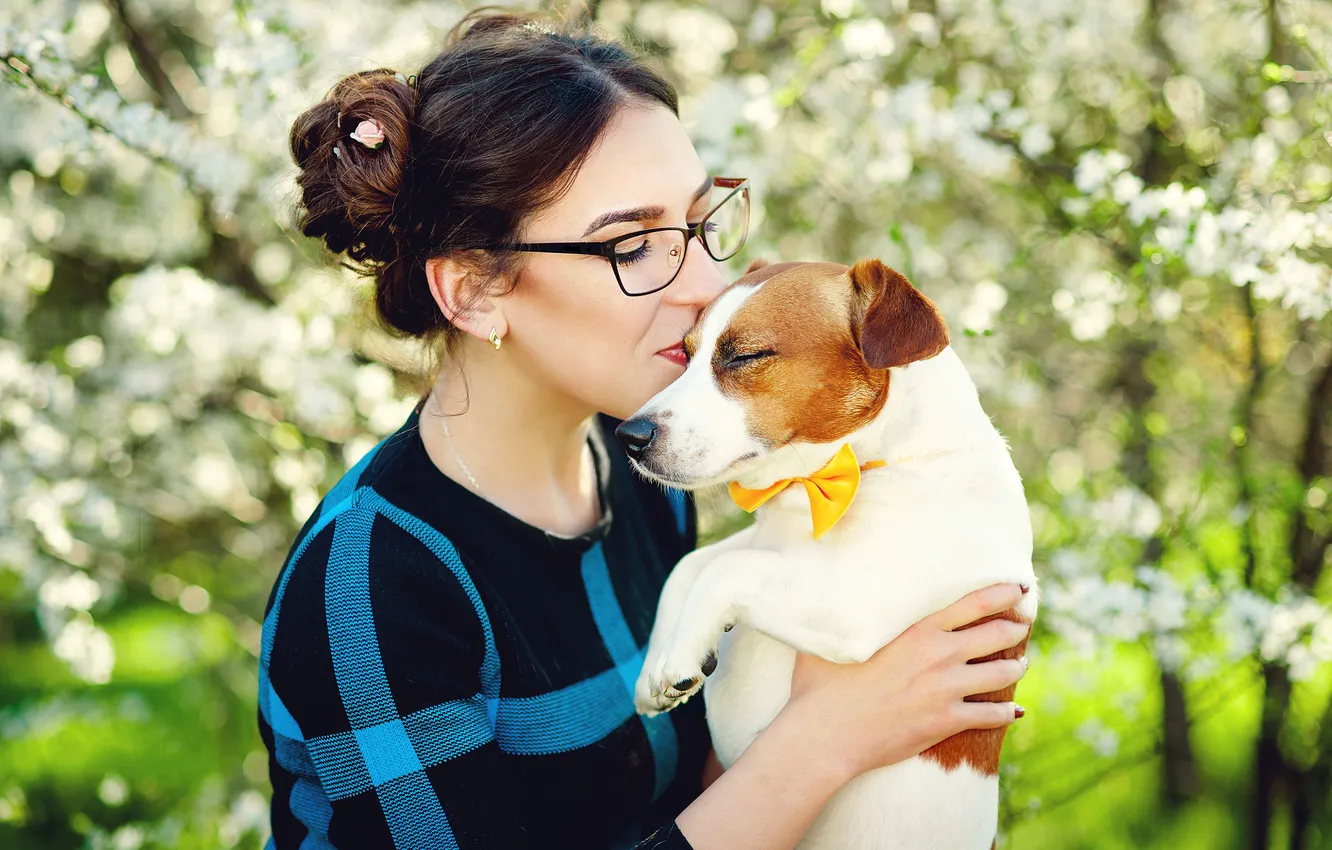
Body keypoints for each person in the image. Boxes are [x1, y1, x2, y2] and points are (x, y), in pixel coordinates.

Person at [259, 10, 1032, 850]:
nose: (705, 283)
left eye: (702, 225)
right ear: (476, 292)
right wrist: (827, 740)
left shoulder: (647, 471)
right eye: (632, 245)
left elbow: (694, 789)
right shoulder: (373, 587)